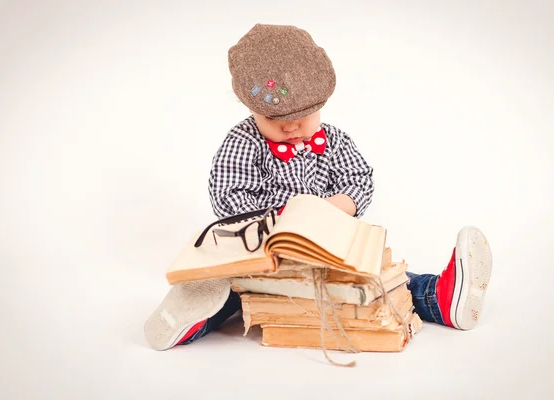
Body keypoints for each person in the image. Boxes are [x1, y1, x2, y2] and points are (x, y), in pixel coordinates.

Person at [143, 24, 492, 351]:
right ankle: (193, 314)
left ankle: (441, 298)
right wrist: (277, 223)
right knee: (239, 288)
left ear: (321, 104)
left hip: (327, 248)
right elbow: (229, 195)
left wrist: (340, 206)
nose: (292, 129)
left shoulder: (335, 141)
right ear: (251, 109)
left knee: (375, 279)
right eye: (277, 122)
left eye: (303, 118)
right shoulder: (243, 141)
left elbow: (359, 178)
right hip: (265, 251)